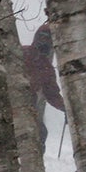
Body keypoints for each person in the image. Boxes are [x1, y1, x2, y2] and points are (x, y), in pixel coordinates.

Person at [22, 24, 66, 152]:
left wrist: (65, 108)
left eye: (49, 39)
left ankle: (33, 164)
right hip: (17, 102)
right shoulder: (21, 53)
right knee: (37, 133)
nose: (45, 42)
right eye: (42, 38)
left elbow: (52, 94)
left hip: (29, 104)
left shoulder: (46, 67)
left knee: (40, 133)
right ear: (36, 38)